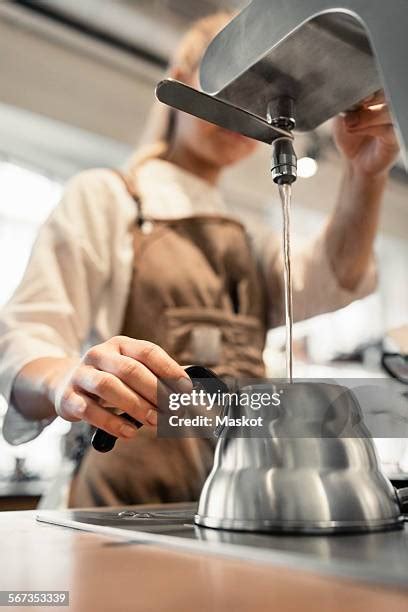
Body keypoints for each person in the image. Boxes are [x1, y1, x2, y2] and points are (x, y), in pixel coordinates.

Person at [0, 12, 400, 507]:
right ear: (183, 80)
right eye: (227, 84)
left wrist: (366, 173)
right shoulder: (111, 198)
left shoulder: (246, 237)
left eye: (257, 92)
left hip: (236, 501)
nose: (242, 105)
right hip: (118, 507)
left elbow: (331, 279)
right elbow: (23, 343)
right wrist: (66, 379)